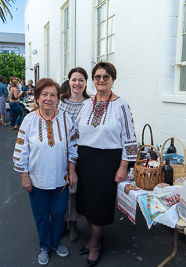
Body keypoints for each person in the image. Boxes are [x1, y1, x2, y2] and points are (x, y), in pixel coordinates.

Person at [74, 62, 138, 267]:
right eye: (97, 77)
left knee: (99, 206)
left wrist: (123, 167)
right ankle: (94, 238)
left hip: (108, 162)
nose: (101, 80)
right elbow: (75, 133)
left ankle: (96, 244)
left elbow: (129, 139)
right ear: (93, 80)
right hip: (85, 160)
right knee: (86, 202)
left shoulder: (121, 105)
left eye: (106, 77)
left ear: (112, 79)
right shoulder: (85, 104)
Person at [13, 78, 78, 266]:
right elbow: (21, 150)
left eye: (53, 95)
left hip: (61, 178)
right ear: (37, 97)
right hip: (36, 178)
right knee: (41, 214)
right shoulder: (29, 120)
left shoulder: (66, 119)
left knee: (58, 212)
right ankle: (45, 245)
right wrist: (24, 177)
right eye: (44, 94)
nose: (48, 98)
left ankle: (56, 242)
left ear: (58, 98)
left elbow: (73, 147)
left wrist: (72, 171)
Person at [58, 67, 90, 242]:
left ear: (85, 82)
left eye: (81, 80)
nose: (77, 83)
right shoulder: (60, 101)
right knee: (62, 188)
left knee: (76, 189)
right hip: (61, 151)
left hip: (83, 152)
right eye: (74, 79)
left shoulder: (90, 103)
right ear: (69, 81)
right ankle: (62, 221)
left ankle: (73, 222)